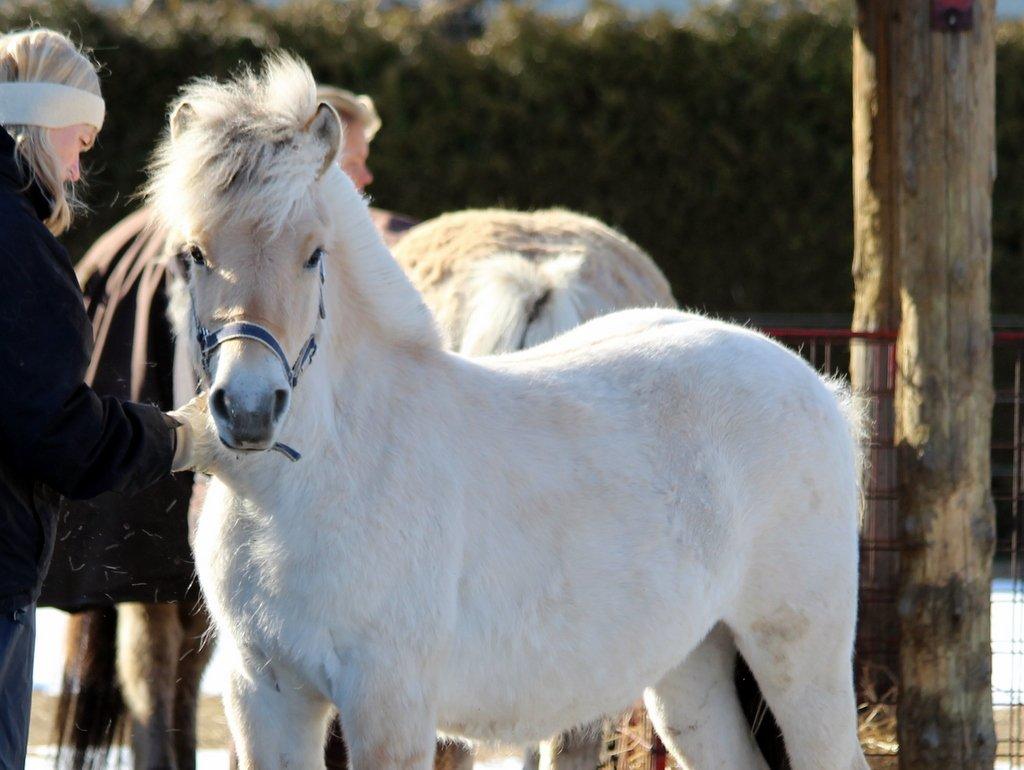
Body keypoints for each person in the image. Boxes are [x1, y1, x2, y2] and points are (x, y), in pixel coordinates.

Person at [0, 29, 207, 767]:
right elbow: (53, 426)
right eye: (80, 139)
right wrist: (177, 437)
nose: (82, 163)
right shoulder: (15, 241)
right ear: (38, 121)